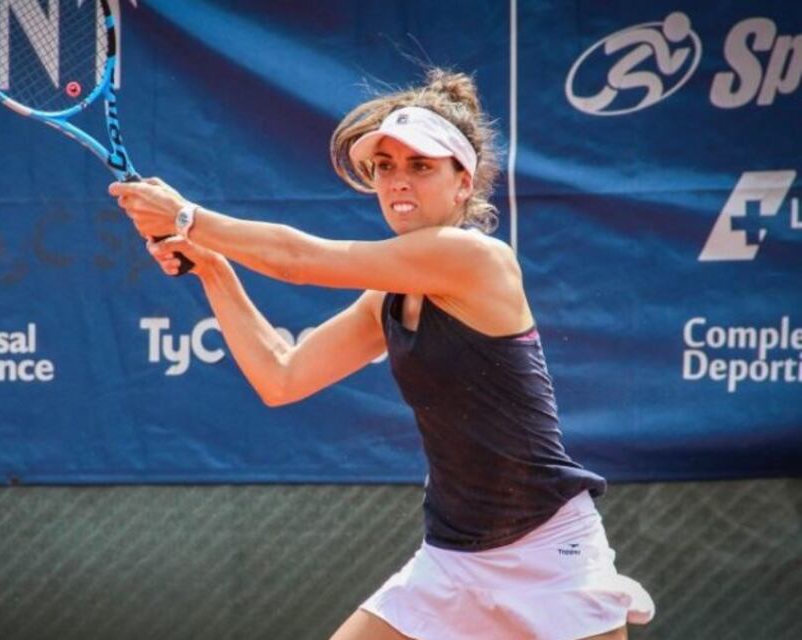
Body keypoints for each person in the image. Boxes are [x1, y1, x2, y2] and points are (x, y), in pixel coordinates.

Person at [109, 69, 654, 640]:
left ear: (463, 183)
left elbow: (299, 260)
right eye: (386, 166)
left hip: (549, 552)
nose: (399, 181)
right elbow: (282, 375)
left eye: (421, 167)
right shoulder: (386, 301)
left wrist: (186, 217)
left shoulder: (475, 259)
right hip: (454, 558)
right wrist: (215, 271)